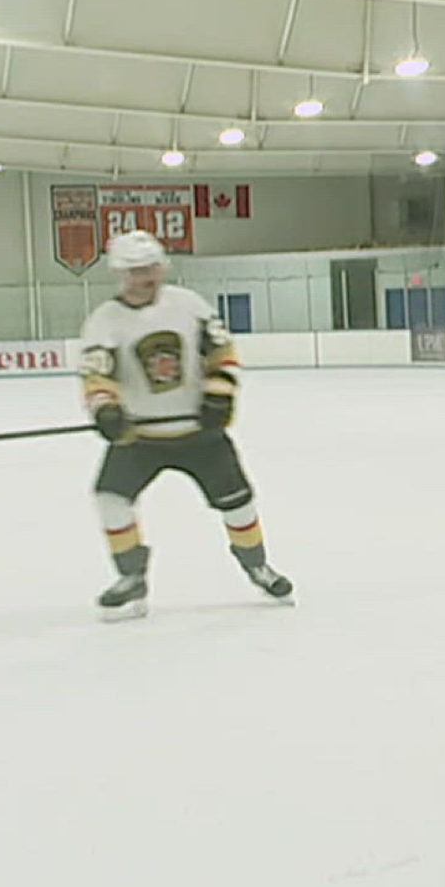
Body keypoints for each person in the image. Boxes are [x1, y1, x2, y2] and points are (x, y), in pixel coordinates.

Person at [78, 230, 292, 619]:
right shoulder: (104, 322)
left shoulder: (189, 305)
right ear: (119, 275)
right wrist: (106, 410)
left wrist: (219, 394)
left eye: (152, 268)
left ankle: (256, 565)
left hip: (200, 433)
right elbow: (97, 376)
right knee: (110, 499)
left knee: (238, 503)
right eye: (136, 271)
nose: (147, 277)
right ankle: (132, 578)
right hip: (139, 436)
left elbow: (221, 352)